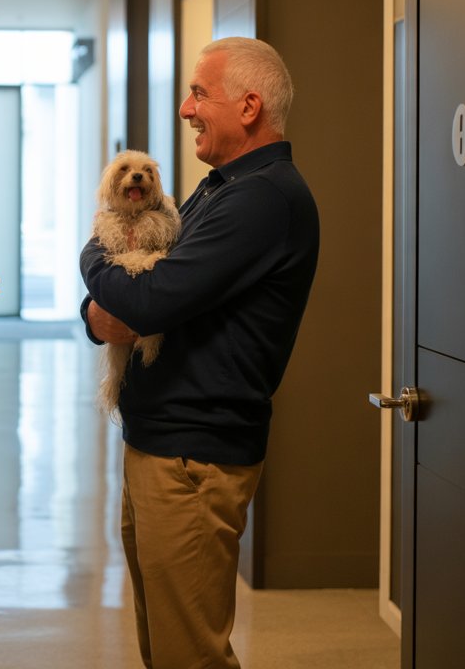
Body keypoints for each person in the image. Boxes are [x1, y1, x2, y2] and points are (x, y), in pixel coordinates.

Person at [79, 37, 319, 669]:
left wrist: (90, 260)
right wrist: (102, 307)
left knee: (190, 652)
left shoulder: (261, 197)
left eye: (198, 93)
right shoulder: (219, 188)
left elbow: (151, 300)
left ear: (248, 106)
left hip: (194, 458)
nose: (186, 108)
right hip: (161, 443)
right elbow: (132, 299)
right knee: (164, 642)